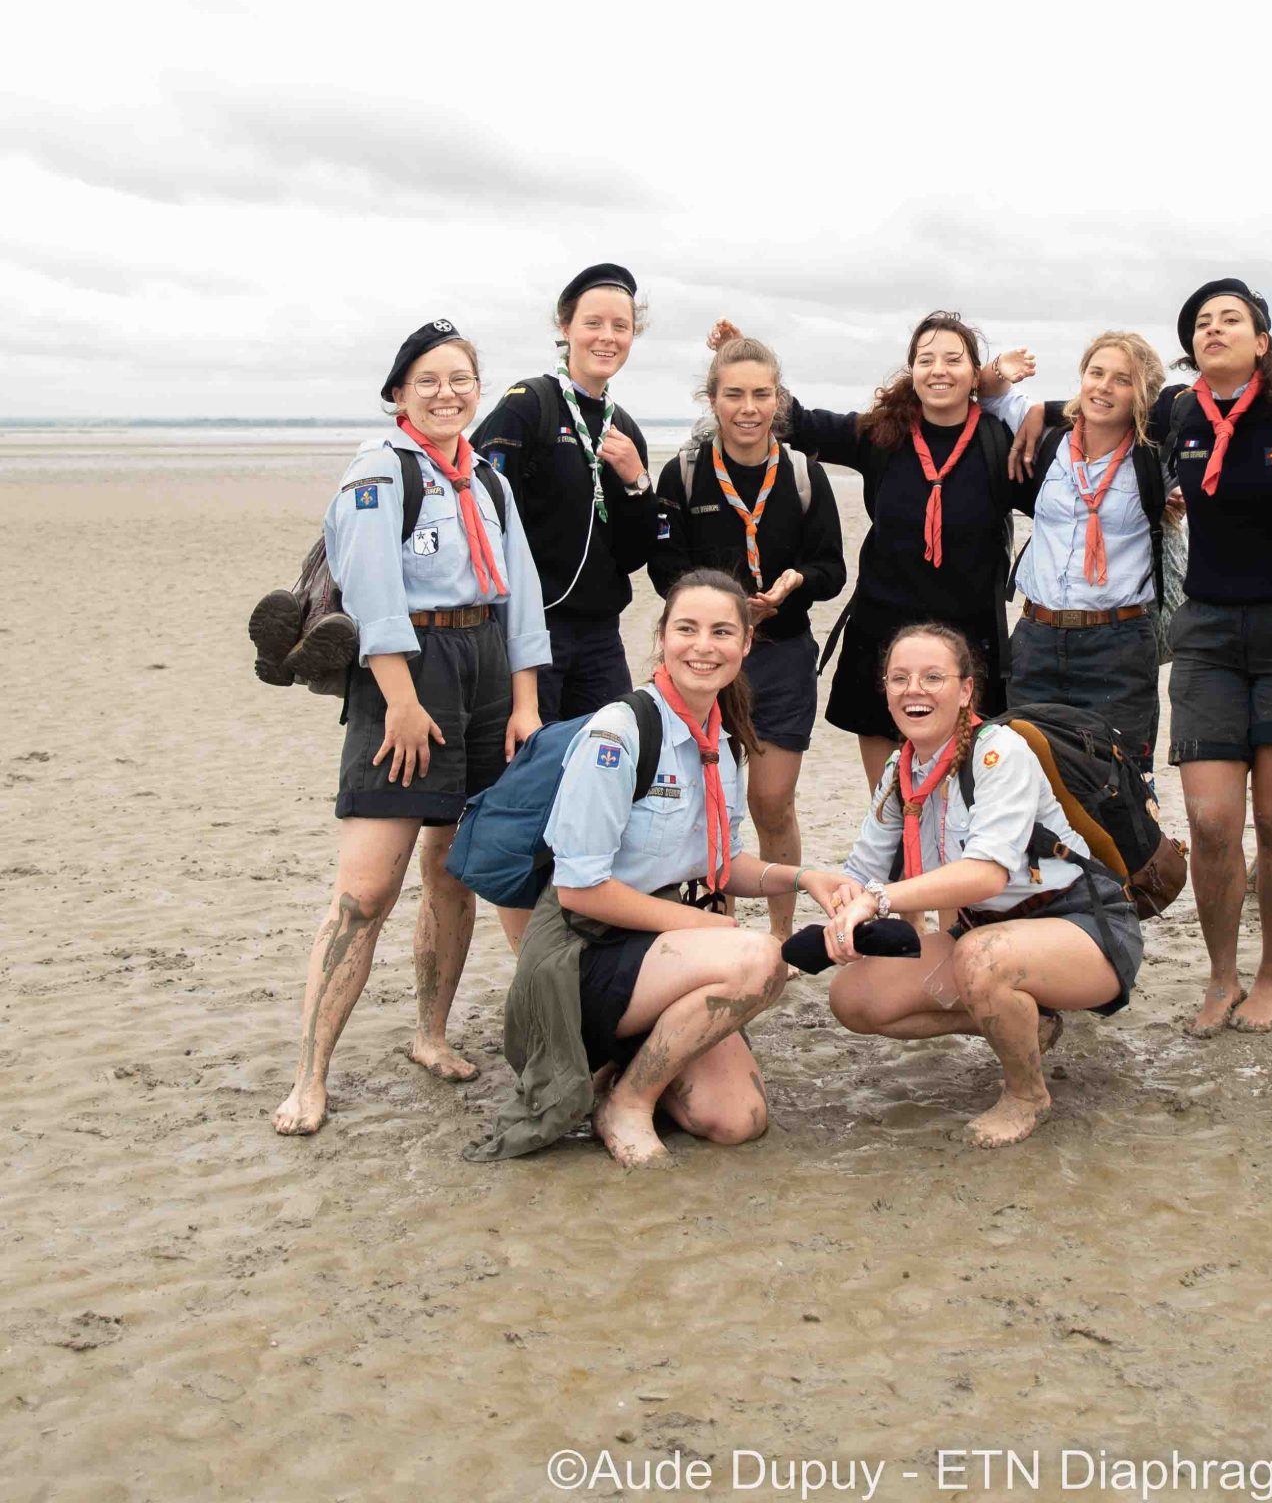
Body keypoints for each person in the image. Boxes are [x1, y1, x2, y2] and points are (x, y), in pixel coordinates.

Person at [1018, 279, 1272, 1037]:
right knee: (1212, 819)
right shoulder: (1178, 412)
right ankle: (1221, 975)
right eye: (1202, 322)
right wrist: (1026, 402)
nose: (1215, 328)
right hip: (1209, 635)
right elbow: (1104, 399)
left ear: (1263, 340)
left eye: (1233, 319)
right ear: (1190, 347)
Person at [274, 320, 548, 1136]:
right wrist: (397, 697)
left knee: (454, 870)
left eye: (460, 378)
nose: (445, 393)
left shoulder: (490, 483)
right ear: (399, 392)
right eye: (427, 379)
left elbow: (524, 595)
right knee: (365, 890)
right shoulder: (380, 472)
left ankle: (429, 1035)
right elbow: (372, 590)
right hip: (407, 671)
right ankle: (309, 1078)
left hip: (488, 665)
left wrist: (526, 699)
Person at [475, 571, 832, 1167]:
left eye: (722, 632)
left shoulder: (721, 734)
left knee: (737, 1120)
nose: (703, 645)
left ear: (746, 645)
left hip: (661, 956)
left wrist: (803, 878)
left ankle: (624, 1067)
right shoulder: (620, 731)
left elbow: (719, 865)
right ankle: (629, 1102)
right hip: (582, 956)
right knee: (758, 956)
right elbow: (579, 890)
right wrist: (710, 930)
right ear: (661, 637)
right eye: (686, 629)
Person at [810, 624, 1143, 1147]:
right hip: (988, 931)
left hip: (1083, 926)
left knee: (982, 959)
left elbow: (986, 873)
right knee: (855, 998)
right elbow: (863, 871)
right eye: (899, 678)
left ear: (967, 690)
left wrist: (878, 899)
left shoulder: (998, 752)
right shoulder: (902, 769)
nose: (912, 689)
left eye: (932, 677)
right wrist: (840, 907)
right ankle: (1031, 1025)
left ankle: (1026, 1094)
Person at [707, 313, 1036, 790]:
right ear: (912, 372)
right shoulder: (883, 434)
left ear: (974, 375)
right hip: (881, 638)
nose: (938, 370)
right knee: (891, 804)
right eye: (926, 360)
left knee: (964, 806)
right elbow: (798, 422)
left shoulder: (997, 441)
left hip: (969, 646)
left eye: (953, 360)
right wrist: (740, 360)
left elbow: (1058, 496)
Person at [646, 335, 847, 938]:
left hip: (782, 653)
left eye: (762, 394)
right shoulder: (683, 473)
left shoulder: (805, 474)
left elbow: (832, 569)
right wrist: (721, 609)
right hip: (704, 659)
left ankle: (783, 936)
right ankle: (720, 932)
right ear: (712, 399)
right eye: (733, 394)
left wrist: (793, 586)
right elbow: (663, 570)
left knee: (770, 800)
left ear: (778, 400)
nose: (748, 407)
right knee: (706, 804)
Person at [473, 263, 659, 724]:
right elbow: (479, 514)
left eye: (621, 326)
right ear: (566, 327)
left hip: (600, 637)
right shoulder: (528, 404)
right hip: (529, 629)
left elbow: (633, 555)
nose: (607, 337)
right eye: (592, 323)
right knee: (529, 772)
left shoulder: (626, 428)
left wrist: (637, 482)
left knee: (604, 767)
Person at [1009, 330, 1172, 770]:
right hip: (1036, 641)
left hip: (1118, 647)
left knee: (1118, 789)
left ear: (1142, 395)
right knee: (1026, 782)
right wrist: (1039, 406)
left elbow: (1197, 400)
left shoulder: (1154, 456)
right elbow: (983, 399)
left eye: (1122, 379)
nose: (1103, 387)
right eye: (1095, 373)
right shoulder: (1048, 442)